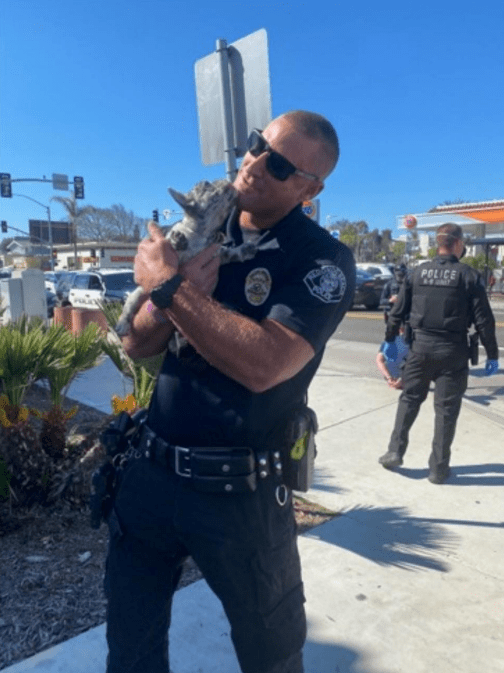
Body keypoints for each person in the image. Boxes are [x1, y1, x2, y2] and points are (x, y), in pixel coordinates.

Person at [104, 110, 356, 673]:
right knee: (130, 651)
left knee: (272, 658)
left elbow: (266, 364)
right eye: (256, 145)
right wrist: (166, 296)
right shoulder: (204, 228)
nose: (256, 164)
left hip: (241, 496)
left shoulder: (321, 259)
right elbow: (136, 344)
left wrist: (172, 290)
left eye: (281, 163)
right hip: (150, 474)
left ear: (310, 188)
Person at [378, 223, 499, 484]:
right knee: (446, 410)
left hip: (420, 349)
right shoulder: (469, 275)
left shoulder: (417, 273)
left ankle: (394, 451)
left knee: (409, 399)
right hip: (452, 352)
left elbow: (398, 311)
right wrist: (492, 354)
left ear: (438, 243)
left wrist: (389, 340)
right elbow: (483, 320)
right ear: (458, 243)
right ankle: (438, 468)